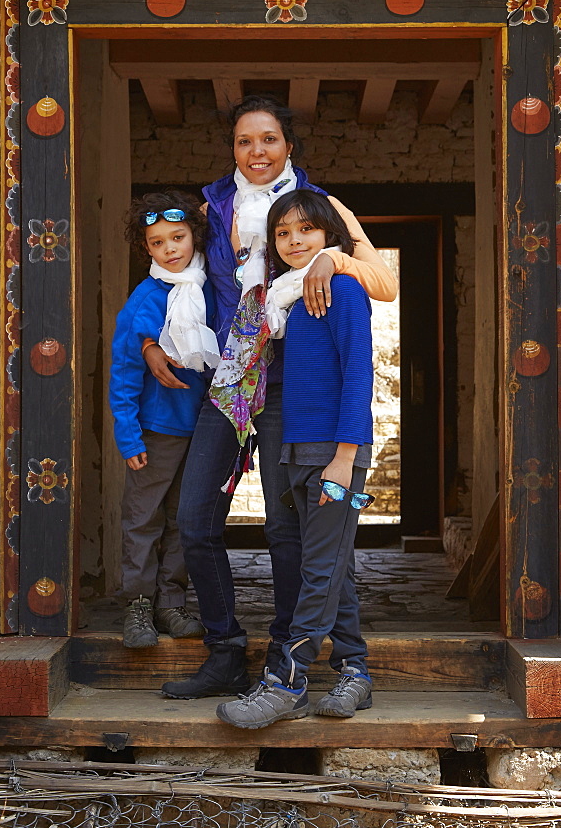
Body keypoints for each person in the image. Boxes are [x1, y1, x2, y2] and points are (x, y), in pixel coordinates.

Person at [143, 95, 397, 698]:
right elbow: (173, 268)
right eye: (244, 142)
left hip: (291, 382)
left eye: (270, 140)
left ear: (289, 145)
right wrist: (150, 345)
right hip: (229, 377)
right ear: (232, 149)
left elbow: (379, 277)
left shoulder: (317, 210)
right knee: (194, 516)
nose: (257, 152)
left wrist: (333, 254)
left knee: (287, 529)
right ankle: (225, 648)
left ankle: (288, 656)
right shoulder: (211, 207)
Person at [217, 190, 375, 728]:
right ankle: (356, 672)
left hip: (335, 453)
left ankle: (286, 682)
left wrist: (345, 456)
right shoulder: (284, 300)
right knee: (333, 567)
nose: (294, 241)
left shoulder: (343, 288)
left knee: (318, 568)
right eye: (283, 233)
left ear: (328, 235)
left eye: (306, 230)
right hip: (296, 449)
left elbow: (358, 375)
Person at [109, 190, 218, 648]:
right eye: (157, 243)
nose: (170, 249)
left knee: (184, 519)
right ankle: (137, 605)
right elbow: (124, 370)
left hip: (207, 429)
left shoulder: (215, 289)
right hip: (157, 431)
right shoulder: (145, 299)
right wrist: (129, 434)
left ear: (195, 236)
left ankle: (170, 603)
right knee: (144, 517)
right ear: (146, 249)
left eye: (178, 237)